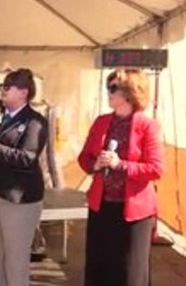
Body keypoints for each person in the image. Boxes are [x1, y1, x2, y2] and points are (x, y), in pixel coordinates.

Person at [78, 68, 164, 286]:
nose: (109, 92)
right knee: (99, 269)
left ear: (130, 92)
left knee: (129, 273)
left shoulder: (148, 126)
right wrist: (95, 164)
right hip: (102, 206)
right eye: (109, 87)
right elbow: (84, 158)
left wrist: (120, 164)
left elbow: (156, 169)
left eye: (114, 88)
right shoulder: (101, 121)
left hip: (133, 213)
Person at [0, 68, 48, 286]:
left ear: (23, 92)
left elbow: (26, 157)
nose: (2, 91)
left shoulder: (36, 122)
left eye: (7, 87)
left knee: (15, 256)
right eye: (2, 86)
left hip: (18, 198)